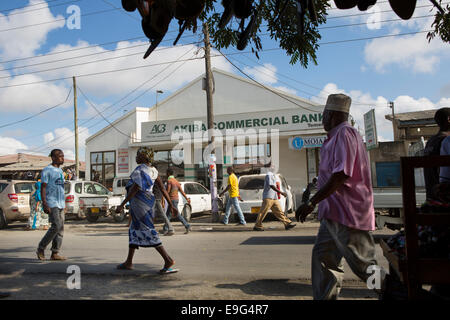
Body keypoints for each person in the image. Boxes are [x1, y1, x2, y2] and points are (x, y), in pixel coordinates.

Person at [295, 93, 383, 300]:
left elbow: (341, 174)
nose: (322, 119)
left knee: (365, 266)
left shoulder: (345, 134)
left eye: (324, 115)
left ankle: (395, 292)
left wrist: (311, 202)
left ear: (332, 114)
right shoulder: (335, 137)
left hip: (348, 213)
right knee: (324, 259)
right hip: (332, 214)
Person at [115, 147, 178, 274]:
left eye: (138, 155)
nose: (136, 157)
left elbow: (135, 188)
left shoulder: (141, 170)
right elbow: (162, 188)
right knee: (133, 231)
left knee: (148, 231)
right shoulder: (154, 171)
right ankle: (129, 261)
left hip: (140, 206)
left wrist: (122, 205)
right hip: (148, 204)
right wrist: (171, 205)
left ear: (144, 157)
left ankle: (168, 259)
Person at [36, 149, 67, 261]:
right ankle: (41, 248)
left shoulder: (60, 171)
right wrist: (45, 203)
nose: (62, 158)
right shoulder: (47, 170)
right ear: (53, 157)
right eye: (60, 156)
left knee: (61, 228)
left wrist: (65, 204)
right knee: (56, 226)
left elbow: (61, 188)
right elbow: (43, 187)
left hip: (60, 204)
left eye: (63, 156)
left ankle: (55, 253)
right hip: (51, 202)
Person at [253, 164, 296, 231]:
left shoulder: (273, 175)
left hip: (274, 197)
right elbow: (272, 186)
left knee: (279, 212)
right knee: (263, 212)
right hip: (268, 197)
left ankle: (287, 224)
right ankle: (257, 226)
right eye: (272, 167)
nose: (273, 168)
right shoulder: (269, 175)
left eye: (274, 167)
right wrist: (281, 193)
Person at [423, 108, 450, 200]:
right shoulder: (446, 141)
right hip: (444, 199)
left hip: (432, 197)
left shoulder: (431, 141)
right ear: (449, 119)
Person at [166, 168, 192, 234]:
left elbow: (168, 191)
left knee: (174, 214)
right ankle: (166, 228)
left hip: (171, 200)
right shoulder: (176, 181)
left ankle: (187, 226)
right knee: (168, 214)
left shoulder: (169, 181)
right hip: (176, 199)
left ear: (168, 173)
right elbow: (182, 191)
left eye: (166, 173)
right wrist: (187, 198)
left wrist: (164, 196)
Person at [152, 168, 175, 236]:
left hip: (155, 198)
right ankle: (170, 228)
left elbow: (162, 189)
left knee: (154, 214)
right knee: (159, 214)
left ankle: (170, 228)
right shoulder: (157, 178)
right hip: (157, 198)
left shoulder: (155, 178)